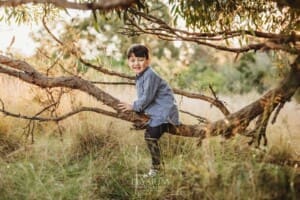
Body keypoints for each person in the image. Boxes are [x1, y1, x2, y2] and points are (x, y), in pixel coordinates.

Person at [118, 44, 180, 177]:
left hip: (164, 113)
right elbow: (145, 96)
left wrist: (133, 106)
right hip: (157, 112)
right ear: (128, 62)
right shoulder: (141, 76)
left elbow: (147, 97)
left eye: (140, 59)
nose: (136, 63)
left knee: (150, 137)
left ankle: (156, 169)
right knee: (150, 136)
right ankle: (157, 168)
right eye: (132, 60)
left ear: (148, 60)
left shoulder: (150, 74)